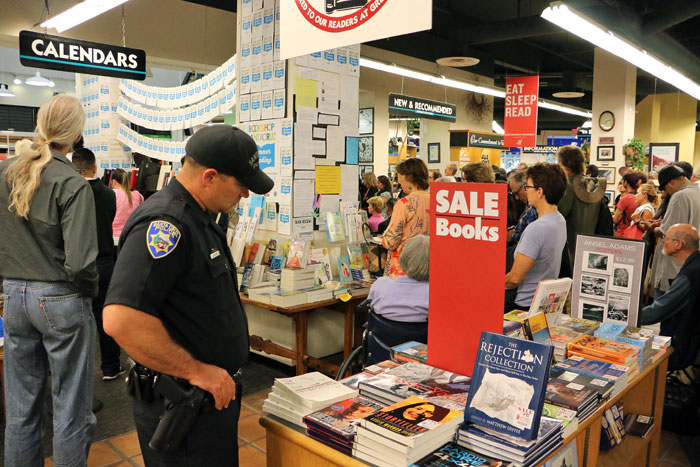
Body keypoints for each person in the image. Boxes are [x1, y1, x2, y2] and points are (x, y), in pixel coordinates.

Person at [103, 125, 274, 466]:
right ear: (210, 177)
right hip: (182, 402)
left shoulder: (200, 216)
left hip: (206, 402)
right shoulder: (167, 223)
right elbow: (120, 319)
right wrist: (197, 371)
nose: (244, 195)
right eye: (241, 185)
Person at [0, 94, 98, 465]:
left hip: (13, 295)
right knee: (70, 409)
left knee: (21, 409)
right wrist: (88, 296)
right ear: (77, 135)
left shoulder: (6, 171)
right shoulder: (72, 183)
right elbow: (81, 263)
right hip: (59, 297)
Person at [72, 148, 126, 381]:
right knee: (106, 317)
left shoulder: (68, 191)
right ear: (95, 168)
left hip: (75, 263)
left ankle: (78, 376)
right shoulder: (108, 195)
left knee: (75, 320)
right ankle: (110, 368)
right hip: (104, 261)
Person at [505, 163, 568, 311]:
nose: (526, 191)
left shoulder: (536, 228)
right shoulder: (559, 220)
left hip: (525, 305)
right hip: (544, 303)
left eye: (528, 187)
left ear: (539, 192)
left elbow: (514, 279)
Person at [638, 224, 700, 371]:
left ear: (678, 244)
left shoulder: (689, 275)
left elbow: (660, 309)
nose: (663, 240)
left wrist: (626, 316)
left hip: (685, 344)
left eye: (666, 238)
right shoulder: (695, 266)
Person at [648, 164, 700, 296]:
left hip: (673, 263)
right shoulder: (697, 192)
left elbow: (668, 232)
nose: (667, 192)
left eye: (665, 188)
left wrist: (653, 228)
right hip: (691, 262)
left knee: (664, 307)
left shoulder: (680, 196)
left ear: (671, 182)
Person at [557, 145, 607, 262]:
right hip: (592, 247)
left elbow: (557, 217)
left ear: (564, 163)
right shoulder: (594, 185)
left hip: (568, 249)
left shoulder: (566, 186)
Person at [382, 158, 430, 278]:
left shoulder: (404, 203)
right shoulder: (438, 201)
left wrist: (384, 238)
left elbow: (391, 241)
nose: (399, 181)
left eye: (400, 176)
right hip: (429, 262)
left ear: (408, 177)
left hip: (405, 265)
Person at [368, 235, 429, 322]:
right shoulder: (435, 295)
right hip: (420, 334)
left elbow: (370, 304)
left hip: (383, 334)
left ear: (403, 257)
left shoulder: (380, 285)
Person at [112, 167, 144, 240]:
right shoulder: (138, 196)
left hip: (114, 236)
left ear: (114, 182)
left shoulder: (112, 194)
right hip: (131, 236)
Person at [613, 171, 647, 237]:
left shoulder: (625, 198)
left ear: (626, 182)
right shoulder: (639, 197)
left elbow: (615, 219)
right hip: (636, 231)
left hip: (624, 232)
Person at [508, 170, 537, 244]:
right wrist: (516, 229)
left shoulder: (535, 207)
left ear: (525, 186)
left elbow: (532, 236)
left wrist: (513, 235)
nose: (516, 197)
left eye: (517, 193)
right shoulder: (528, 204)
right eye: (513, 194)